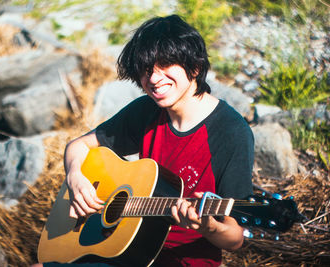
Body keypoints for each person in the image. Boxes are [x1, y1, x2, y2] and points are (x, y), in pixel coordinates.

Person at [61, 14, 253, 267]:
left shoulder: (231, 132)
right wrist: (74, 176)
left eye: (165, 65)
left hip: (183, 260)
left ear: (195, 67)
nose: (153, 78)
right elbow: (79, 145)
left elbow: (236, 237)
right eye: (146, 69)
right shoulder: (145, 111)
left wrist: (206, 227)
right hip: (122, 246)